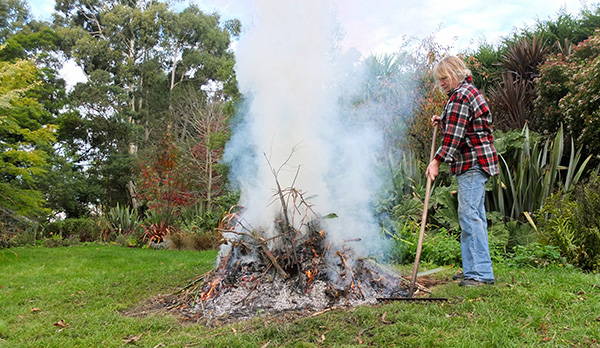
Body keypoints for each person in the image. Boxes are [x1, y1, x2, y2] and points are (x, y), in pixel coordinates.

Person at [425, 56, 498, 287]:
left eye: (444, 78)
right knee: (473, 215)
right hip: (475, 162)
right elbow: (461, 124)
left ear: (456, 73)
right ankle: (474, 269)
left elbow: (455, 137)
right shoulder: (465, 93)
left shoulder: (462, 95)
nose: (442, 83)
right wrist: (443, 119)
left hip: (473, 163)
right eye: (439, 80)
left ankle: (479, 274)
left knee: (469, 215)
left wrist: (436, 160)